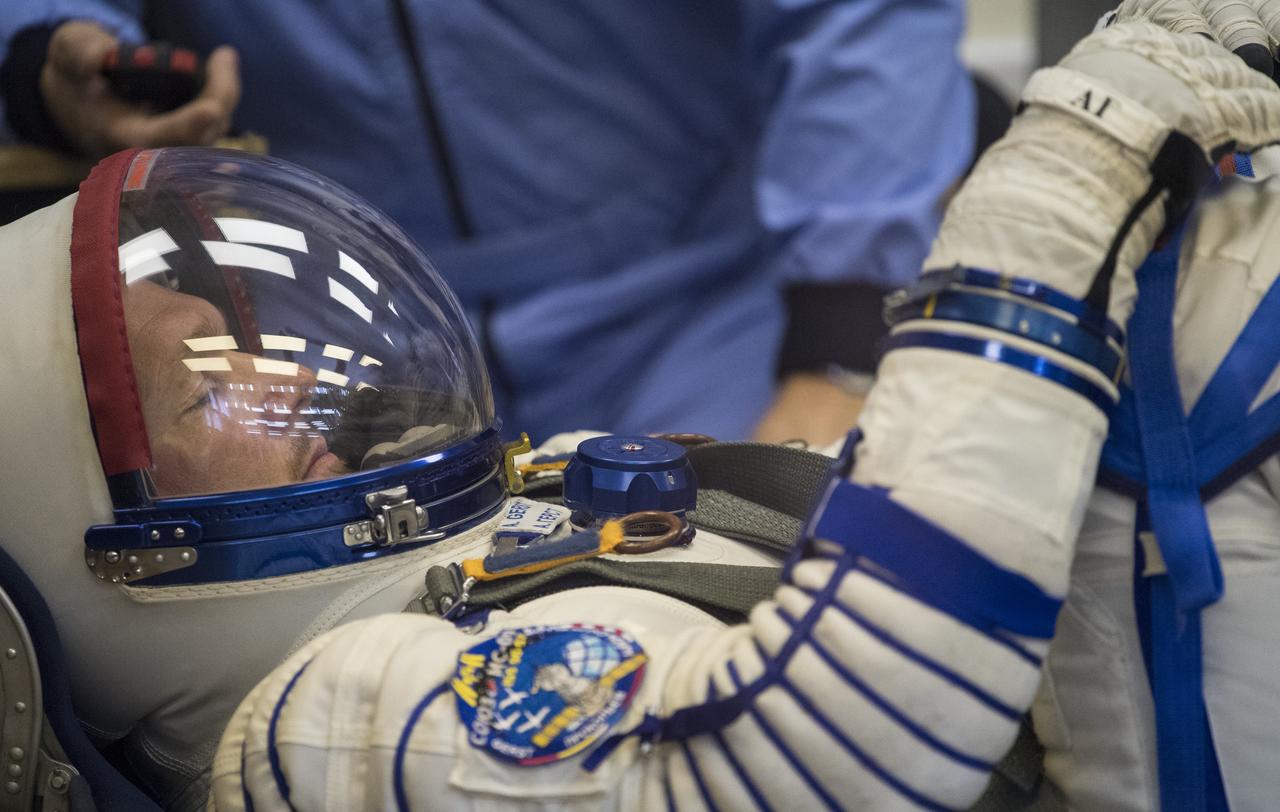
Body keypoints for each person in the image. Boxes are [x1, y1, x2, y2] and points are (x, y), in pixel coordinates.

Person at [2, 7, 1279, 810]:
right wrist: (1047, 204)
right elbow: (842, 751)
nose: (281, 378)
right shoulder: (320, 730)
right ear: (95, 530)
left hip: (689, 270)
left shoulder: (511, 510)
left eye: (244, 340)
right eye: (203, 387)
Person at [0, 2, 975, 447]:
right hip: (326, 322)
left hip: (709, 300)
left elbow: (859, 15)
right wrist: (45, 48)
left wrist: (841, 341)